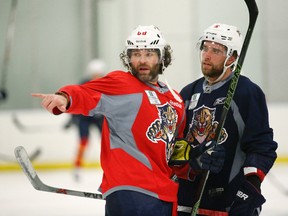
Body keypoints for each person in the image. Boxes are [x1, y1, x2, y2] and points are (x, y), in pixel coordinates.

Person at [32, 25, 186, 216]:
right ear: (128, 58)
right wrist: (64, 97)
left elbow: (178, 149)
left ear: (162, 56)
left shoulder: (176, 100)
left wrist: (194, 165)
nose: (142, 60)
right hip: (132, 192)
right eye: (136, 54)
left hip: (166, 196)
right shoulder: (122, 83)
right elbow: (86, 91)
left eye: (149, 54)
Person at [176, 23, 278, 216]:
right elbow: (176, 146)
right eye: (205, 48)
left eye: (216, 50)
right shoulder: (188, 93)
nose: (207, 55)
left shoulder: (246, 92)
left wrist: (250, 188)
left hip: (229, 204)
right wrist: (194, 161)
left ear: (232, 57)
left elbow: (261, 146)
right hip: (188, 203)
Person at [64, 59, 107, 181]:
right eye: (94, 74)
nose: (96, 76)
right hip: (85, 117)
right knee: (83, 141)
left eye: (98, 74)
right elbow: (75, 100)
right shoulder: (83, 84)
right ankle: (77, 167)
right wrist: (72, 118)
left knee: (106, 143)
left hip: (100, 118)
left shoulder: (106, 83)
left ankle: (110, 168)